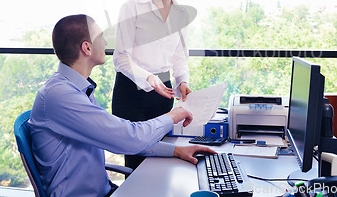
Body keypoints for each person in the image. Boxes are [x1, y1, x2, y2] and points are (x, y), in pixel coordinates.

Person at [28, 14, 214, 197]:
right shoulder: (61, 96)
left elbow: (118, 137)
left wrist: (175, 150)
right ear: (87, 47)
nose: (106, 43)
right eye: (101, 37)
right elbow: (129, 138)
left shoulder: (76, 88)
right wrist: (172, 116)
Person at [112, 0, 195, 170]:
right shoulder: (132, 8)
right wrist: (149, 78)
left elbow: (179, 57)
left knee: (163, 160)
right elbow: (121, 57)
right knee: (137, 164)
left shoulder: (182, 14)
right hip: (131, 93)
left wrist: (182, 82)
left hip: (164, 94)